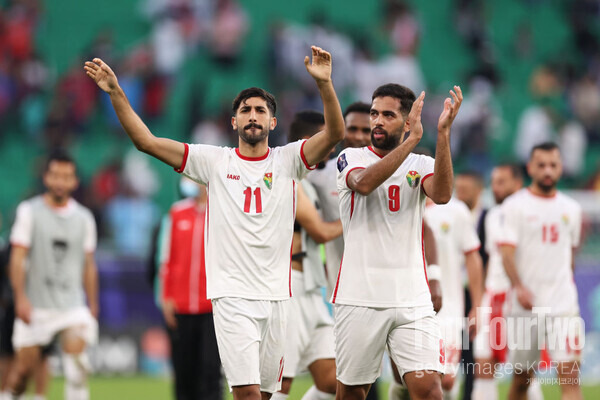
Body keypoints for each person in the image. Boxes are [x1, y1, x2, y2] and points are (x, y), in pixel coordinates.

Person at [84, 45, 344, 400]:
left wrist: (325, 84)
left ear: (273, 122)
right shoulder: (214, 162)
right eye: (245, 110)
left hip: (280, 298)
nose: (253, 115)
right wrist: (116, 93)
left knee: (267, 395)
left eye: (260, 110)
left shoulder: (288, 161)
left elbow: (333, 134)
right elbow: (145, 141)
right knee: (248, 394)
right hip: (233, 297)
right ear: (234, 121)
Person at [333, 83, 463, 400]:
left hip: (412, 301)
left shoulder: (420, 165)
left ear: (406, 122)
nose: (377, 121)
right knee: (352, 393)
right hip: (360, 297)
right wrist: (413, 141)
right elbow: (363, 184)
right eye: (374, 113)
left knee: (431, 390)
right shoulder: (350, 157)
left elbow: (443, 194)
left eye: (387, 115)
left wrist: (442, 134)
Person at [7, 151, 99, 400]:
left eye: (66, 176)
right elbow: (17, 257)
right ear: (46, 177)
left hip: (71, 306)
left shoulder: (85, 218)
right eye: (55, 175)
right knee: (21, 374)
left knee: (77, 366)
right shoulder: (29, 211)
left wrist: (93, 305)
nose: (60, 181)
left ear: (75, 181)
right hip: (36, 306)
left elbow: (89, 265)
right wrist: (21, 298)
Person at [499, 142, 583, 400]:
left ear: (561, 168)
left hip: (563, 306)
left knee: (570, 379)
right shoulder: (515, 206)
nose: (548, 170)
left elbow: (570, 257)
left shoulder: (572, 209)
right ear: (530, 168)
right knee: (522, 381)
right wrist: (519, 287)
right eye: (542, 165)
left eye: (553, 165)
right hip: (525, 307)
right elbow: (506, 253)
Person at [272, 111, 342, 400]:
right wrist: (355, 218)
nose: (333, 147)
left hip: (312, 286)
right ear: (307, 142)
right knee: (280, 382)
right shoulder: (287, 178)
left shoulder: (307, 182)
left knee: (332, 382)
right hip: (291, 286)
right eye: (326, 139)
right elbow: (319, 233)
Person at [472, 164, 542, 400]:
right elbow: (489, 260)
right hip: (492, 297)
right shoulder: (492, 216)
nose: (495, 187)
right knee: (483, 365)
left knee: (524, 374)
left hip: (518, 301)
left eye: (501, 181)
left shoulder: (532, 213)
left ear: (517, 182)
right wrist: (479, 302)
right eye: (493, 182)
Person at [157, 177, 221, 400]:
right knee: (184, 372)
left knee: (211, 372)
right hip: (181, 306)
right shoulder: (177, 213)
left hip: (212, 306)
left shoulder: (221, 213)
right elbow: (167, 258)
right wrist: (166, 297)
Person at [306, 102, 371, 298]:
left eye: (365, 130)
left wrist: (434, 273)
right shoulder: (320, 176)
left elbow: (424, 228)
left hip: (383, 291)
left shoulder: (392, 172)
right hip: (339, 291)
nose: (358, 136)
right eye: (352, 129)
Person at [423, 197, 483, 399]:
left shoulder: (456, 211)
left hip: (448, 307)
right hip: (408, 305)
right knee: (412, 380)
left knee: (446, 379)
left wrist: (477, 306)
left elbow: (473, 257)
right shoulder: (400, 203)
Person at [453, 170, 487, 399]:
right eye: (459, 189)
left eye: (466, 190)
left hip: (476, 295)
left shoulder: (489, 219)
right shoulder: (451, 216)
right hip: (453, 294)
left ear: (479, 191)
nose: (461, 194)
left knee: (473, 358)